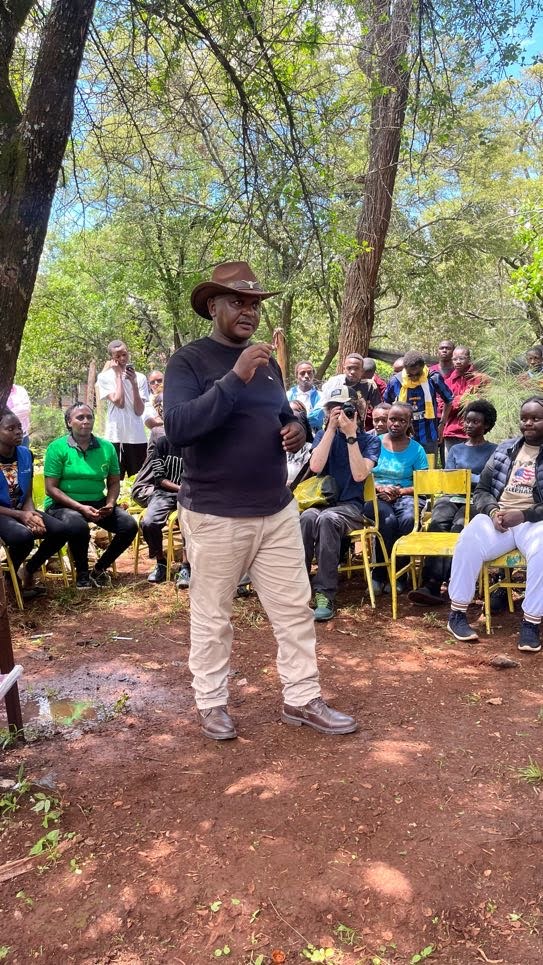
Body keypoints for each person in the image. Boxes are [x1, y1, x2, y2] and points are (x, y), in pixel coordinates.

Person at [164, 260, 357, 740]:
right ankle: (211, 704)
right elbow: (180, 427)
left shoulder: (268, 367)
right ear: (213, 306)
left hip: (275, 509)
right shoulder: (189, 361)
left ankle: (302, 698)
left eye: (254, 303)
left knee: (295, 609)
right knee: (213, 614)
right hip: (214, 514)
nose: (249, 310)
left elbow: (286, 420)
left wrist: (297, 429)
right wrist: (234, 377)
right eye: (238, 301)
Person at [446, 396, 543, 653]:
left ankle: (531, 622)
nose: (529, 423)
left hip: (534, 522)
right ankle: (457, 613)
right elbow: (483, 490)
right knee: (468, 539)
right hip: (500, 518)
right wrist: (492, 511)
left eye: (536, 418)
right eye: (525, 418)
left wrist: (522, 515)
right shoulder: (505, 449)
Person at [300, 386, 380, 620]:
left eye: (344, 409)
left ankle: (325, 593)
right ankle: (300, 588)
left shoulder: (369, 441)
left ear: (356, 411)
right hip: (322, 502)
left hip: (351, 507)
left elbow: (358, 475)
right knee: (306, 518)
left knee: (327, 519)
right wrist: (330, 430)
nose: (339, 414)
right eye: (331, 410)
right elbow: (315, 467)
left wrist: (351, 435)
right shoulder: (322, 436)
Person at [408, 399, 498, 606]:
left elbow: (489, 480)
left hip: (477, 498)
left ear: (486, 425)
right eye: (467, 421)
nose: (469, 425)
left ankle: (452, 581)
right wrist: (464, 479)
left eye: (475, 422)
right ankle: (430, 583)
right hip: (452, 496)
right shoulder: (456, 449)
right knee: (438, 522)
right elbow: (448, 478)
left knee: (459, 527)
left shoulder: (494, 450)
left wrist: (467, 478)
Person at [44, 403, 138, 589]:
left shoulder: (106, 447)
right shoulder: (57, 448)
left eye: (89, 417)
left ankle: (100, 569)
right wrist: (80, 508)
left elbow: (113, 482)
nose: (86, 421)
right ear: (69, 422)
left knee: (129, 525)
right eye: (80, 417)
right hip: (62, 504)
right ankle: (82, 573)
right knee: (78, 525)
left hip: (97, 501)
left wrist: (110, 504)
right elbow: (51, 488)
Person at [0, 409, 69, 598]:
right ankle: (8, 578)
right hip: (3, 513)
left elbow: (27, 494)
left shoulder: (25, 454)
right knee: (23, 537)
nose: (17, 432)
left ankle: (29, 570)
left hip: (22, 509)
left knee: (60, 531)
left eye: (19, 427)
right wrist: (22, 516)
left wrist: (31, 514)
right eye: (10, 428)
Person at [363, 403, 428, 595]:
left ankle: (399, 575)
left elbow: (423, 484)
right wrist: (380, 488)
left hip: (406, 495)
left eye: (402, 420)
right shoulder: (373, 442)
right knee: (387, 520)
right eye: (393, 419)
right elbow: (361, 475)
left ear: (409, 423)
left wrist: (400, 492)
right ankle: (379, 575)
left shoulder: (417, 450)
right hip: (374, 494)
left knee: (408, 519)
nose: (396, 424)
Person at [384, 350, 453, 456]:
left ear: (423, 367)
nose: (414, 377)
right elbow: (386, 404)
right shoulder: (396, 381)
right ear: (405, 369)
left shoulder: (433, 378)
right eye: (410, 375)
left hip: (428, 434)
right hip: (403, 434)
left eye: (418, 373)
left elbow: (448, 400)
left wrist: (442, 424)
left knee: (428, 470)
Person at [96, 340, 149, 478]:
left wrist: (134, 383)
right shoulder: (104, 378)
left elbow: (139, 411)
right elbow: (119, 402)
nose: (122, 359)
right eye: (117, 356)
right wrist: (119, 376)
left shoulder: (141, 378)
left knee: (139, 479)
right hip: (115, 436)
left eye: (124, 354)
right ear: (112, 359)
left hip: (136, 437)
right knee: (114, 479)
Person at [141, 432, 184, 584]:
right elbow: (160, 478)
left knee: (190, 523)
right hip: (164, 492)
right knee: (149, 523)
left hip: (191, 494)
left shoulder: (196, 443)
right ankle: (161, 562)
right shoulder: (162, 443)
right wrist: (180, 488)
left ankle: (187, 566)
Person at [441, 347, 490, 454]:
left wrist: (459, 401)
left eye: (461, 358)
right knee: (452, 468)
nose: (458, 362)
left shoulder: (481, 379)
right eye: (455, 359)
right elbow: (441, 407)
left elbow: (487, 403)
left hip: (477, 431)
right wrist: (464, 398)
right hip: (453, 432)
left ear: (469, 359)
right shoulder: (448, 381)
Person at [286, 361, 323, 430]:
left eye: (309, 373)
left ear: (313, 375)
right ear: (296, 376)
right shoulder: (288, 395)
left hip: (314, 436)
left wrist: (295, 420)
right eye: (302, 373)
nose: (306, 376)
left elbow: (317, 419)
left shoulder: (321, 396)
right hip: (291, 434)